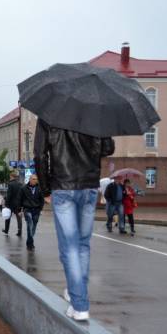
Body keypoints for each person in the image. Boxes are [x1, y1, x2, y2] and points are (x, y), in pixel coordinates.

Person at [34, 118, 115, 322]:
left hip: (62, 186)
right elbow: (108, 148)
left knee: (69, 248)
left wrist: (44, 188)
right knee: (82, 246)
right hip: (88, 186)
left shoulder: (48, 113)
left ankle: (79, 305)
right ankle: (74, 290)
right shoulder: (93, 112)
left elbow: (40, 155)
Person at [20, 174, 44, 250]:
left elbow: (42, 200)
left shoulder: (39, 188)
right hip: (27, 209)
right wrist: (19, 210)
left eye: (36, 179)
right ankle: (30, 243)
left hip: (36, 210)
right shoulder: (23, 188)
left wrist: (40, 208)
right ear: (30, 180)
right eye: (33, 179)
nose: (35, 180)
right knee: (30, 222)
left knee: (32, 227)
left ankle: (29, 242)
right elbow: (20, 199)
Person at [2, 171, 23, 237]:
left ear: (11, 176)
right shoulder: (20, 184)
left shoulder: (10, 184)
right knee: (19, 218)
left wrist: (6, 203)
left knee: (7, 217)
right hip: (18, 204)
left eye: (10, 176)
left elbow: (9, 195)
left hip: (11, 204)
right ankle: (19, 231)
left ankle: (6, 230)